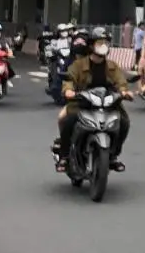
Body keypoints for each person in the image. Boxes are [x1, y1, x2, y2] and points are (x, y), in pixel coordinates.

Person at [53, 26, 131, 172]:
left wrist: (124, 92)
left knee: (124, 122)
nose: (103, 46)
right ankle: (65, 157)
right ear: (91, 45)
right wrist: (69, 90)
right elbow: (69, 79)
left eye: (106, 43)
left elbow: (121, 82)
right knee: (67, 120)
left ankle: (113, 155)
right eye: (99, 43)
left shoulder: (112, 66)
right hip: (83, 103)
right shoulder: (78, 65)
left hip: (108, 104)